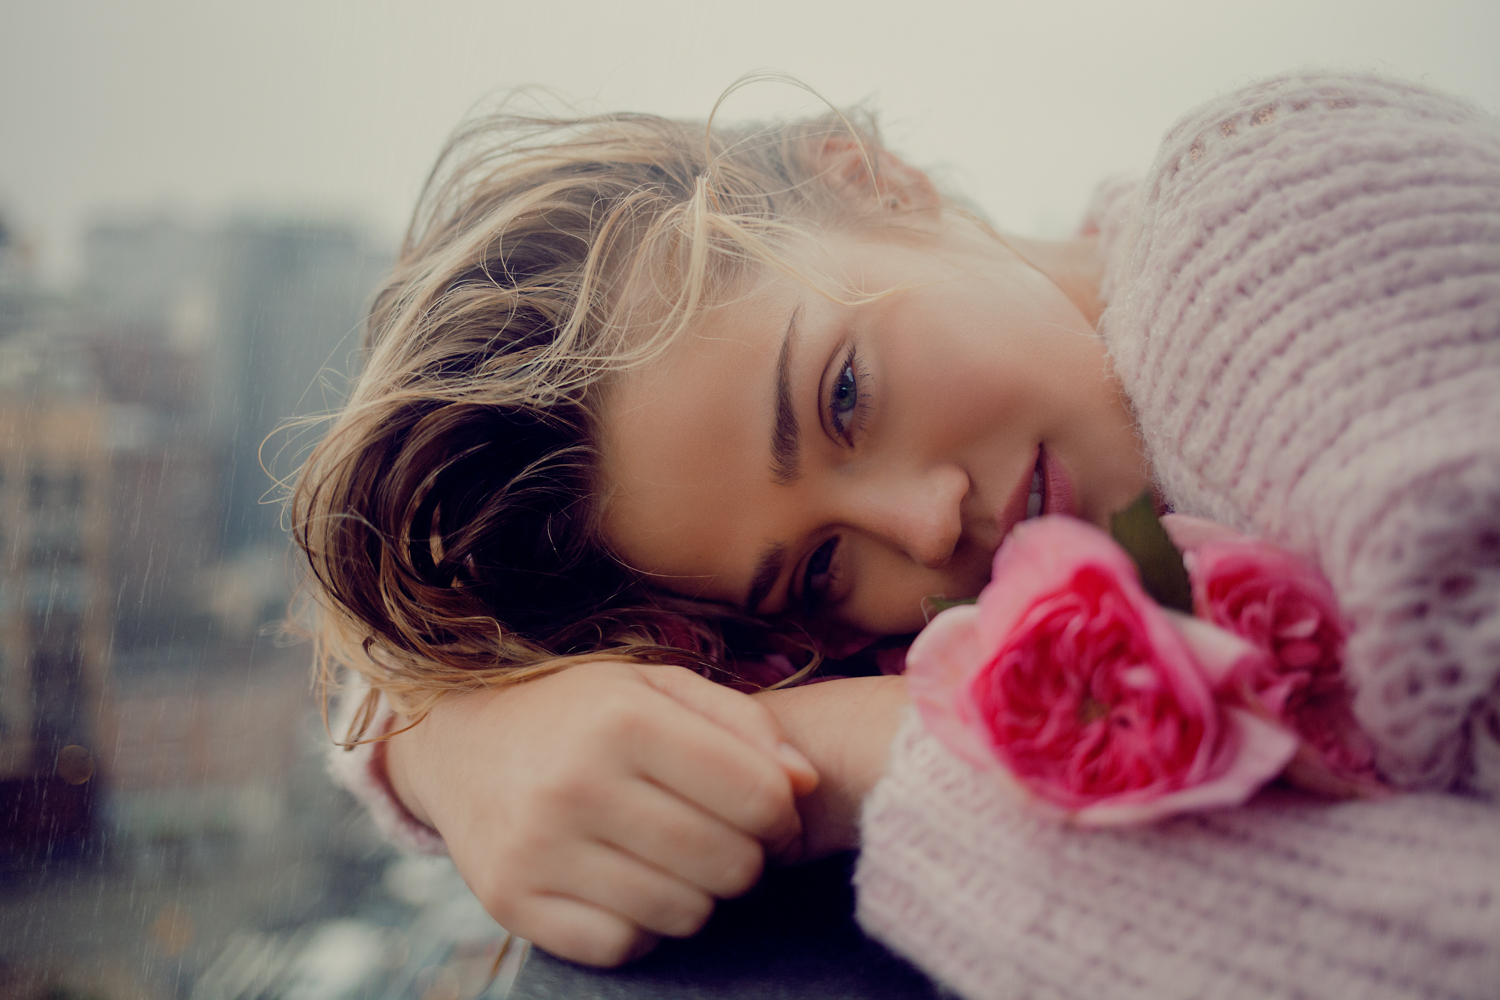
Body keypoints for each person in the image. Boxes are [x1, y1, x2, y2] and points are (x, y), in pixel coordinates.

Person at [298, 71, 1500, 996]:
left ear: (876, 179)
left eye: (844, 398)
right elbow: (385, 677)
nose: (926, 528)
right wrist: (450, 742)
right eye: (819, 568)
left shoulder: (1269, 227)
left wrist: (868, 763)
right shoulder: (1033, 495)